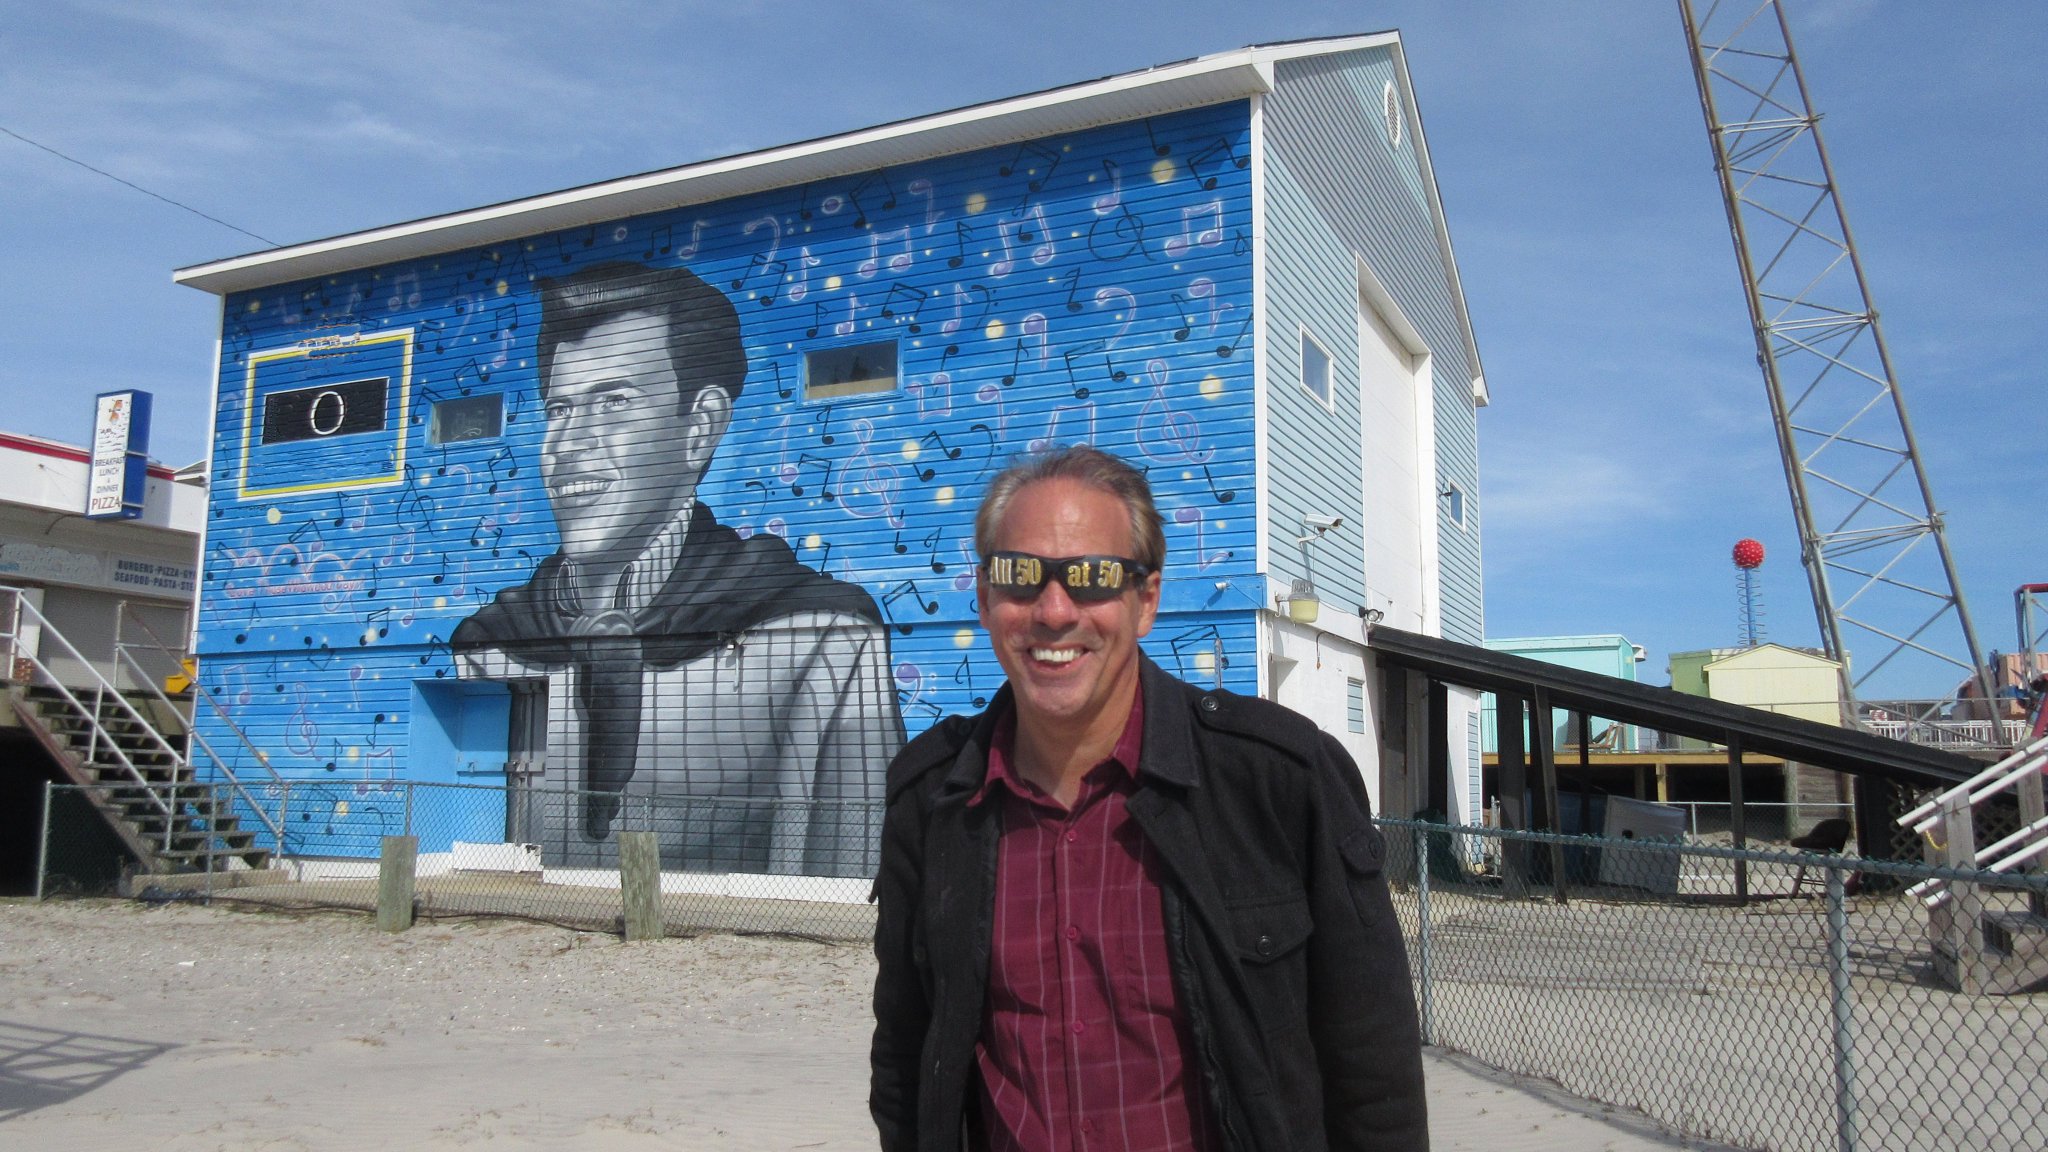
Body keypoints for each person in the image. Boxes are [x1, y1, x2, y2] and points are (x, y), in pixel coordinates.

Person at [870, 446, 1428, 1151]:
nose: (1053, 610)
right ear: (982, 598)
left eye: (1094, 578)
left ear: (1146, 601)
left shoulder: (1279, 781)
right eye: (1020, 576)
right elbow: (906, 1063)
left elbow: (1374, 1076)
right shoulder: (933, 800)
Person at [453, 260, 903, 878]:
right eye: (559, 410)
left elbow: (852, 875)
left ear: (700, 427)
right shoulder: (494, 647)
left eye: (612, 403)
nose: (568, 445)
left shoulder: (818, 637)